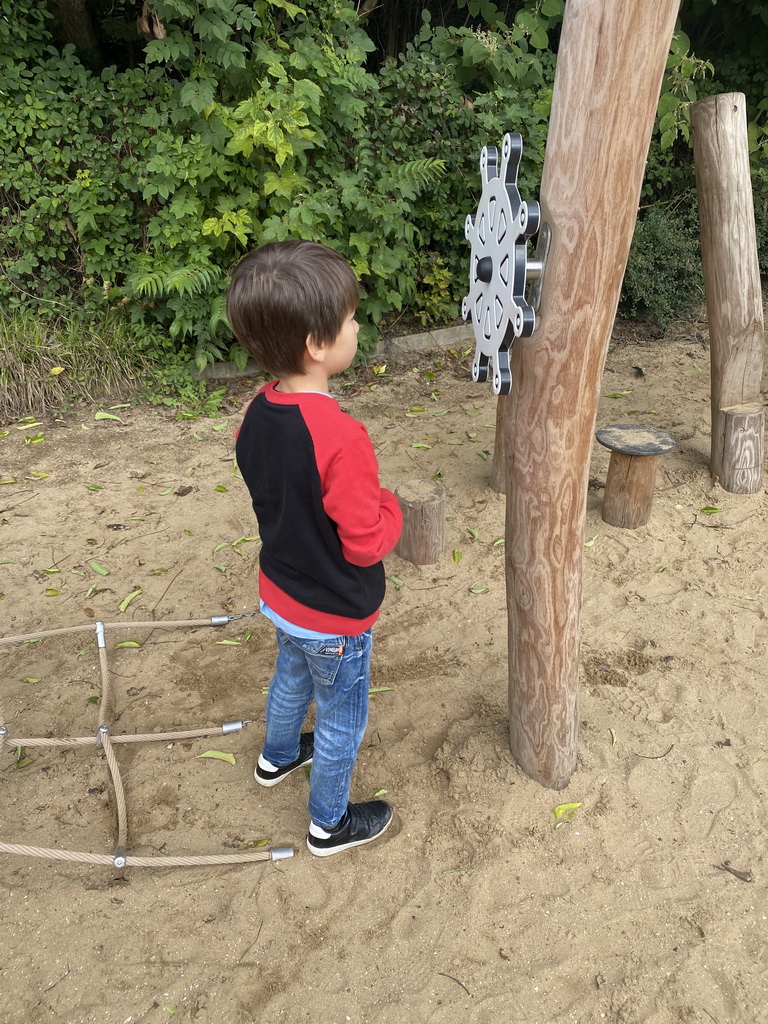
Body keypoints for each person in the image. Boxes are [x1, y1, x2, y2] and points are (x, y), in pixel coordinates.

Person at [227, 240, 403, 857]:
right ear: (317, 345)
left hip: (281, 592)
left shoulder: (256, 412)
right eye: (351, 318)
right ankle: (329, 824)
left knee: (290, 677)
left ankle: (276, 758)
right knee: (340, 718)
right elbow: (365, 543)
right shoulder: (341, 437)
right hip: (333, 612)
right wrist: (393, 510)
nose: (359, 326)